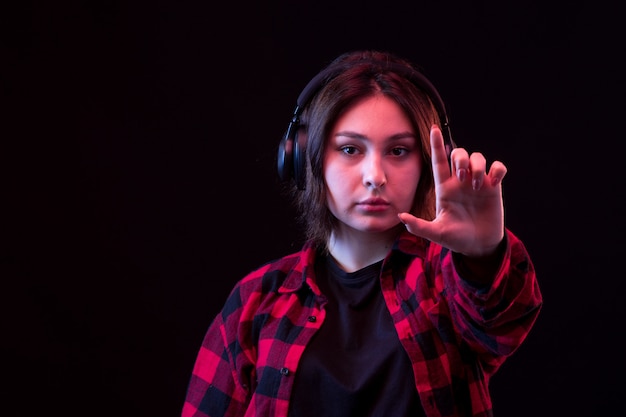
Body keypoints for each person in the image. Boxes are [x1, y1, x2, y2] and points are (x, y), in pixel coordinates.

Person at [181, 49, 543, 417]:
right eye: (350, 149)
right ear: (306, 158)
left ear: (431, 163)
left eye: (399, 151)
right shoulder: (256, 300)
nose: (375, 176)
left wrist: (483, 257)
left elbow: (501, 327)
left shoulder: (446, 282)